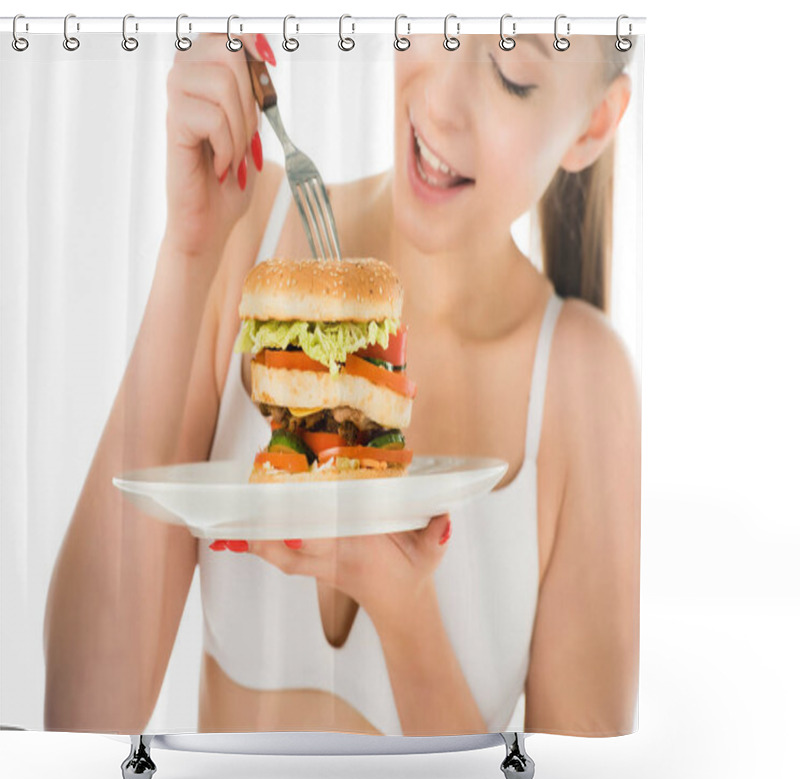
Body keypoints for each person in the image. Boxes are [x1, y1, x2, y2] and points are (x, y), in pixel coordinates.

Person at [43, 30, 640, 738]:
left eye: (511, 75)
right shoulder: (247, 238)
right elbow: (79, 726)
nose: (441, 106)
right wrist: (190, 251)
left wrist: (404, 606)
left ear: (594, 124)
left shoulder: (582, 384)